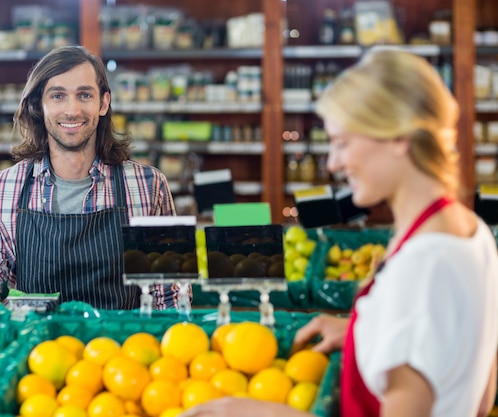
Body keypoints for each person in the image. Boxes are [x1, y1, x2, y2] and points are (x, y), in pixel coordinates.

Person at [181, 49, 498, 417]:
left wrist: (247, 411)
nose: (333, 162)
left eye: (343, 142)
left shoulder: (422, 266)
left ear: (398, 137)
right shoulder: (471, 232)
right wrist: (363, 334)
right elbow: (480, 392)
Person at [0, 45, 183, 310]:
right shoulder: (5, 188)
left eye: (84, 95)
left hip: (121, 346)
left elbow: (170, 292)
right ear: (40, 105)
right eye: (58, 96)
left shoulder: (148, 186)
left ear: (103, 103)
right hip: (38, 347)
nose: (72, 110)